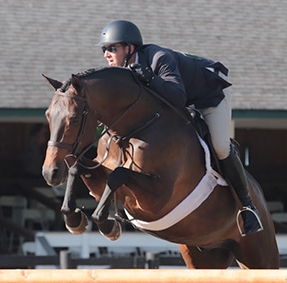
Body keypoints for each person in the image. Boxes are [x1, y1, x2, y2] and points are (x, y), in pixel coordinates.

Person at [97, 20, 263, 235]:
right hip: (182, 103)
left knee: (220, 146)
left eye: (112, 48)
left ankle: (248, 206)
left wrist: (149, 77)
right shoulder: (124, 71)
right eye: (104, 49)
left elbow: (177, 96)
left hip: (208, 95)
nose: (106, 54)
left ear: (130, 48)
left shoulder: (159, 58)